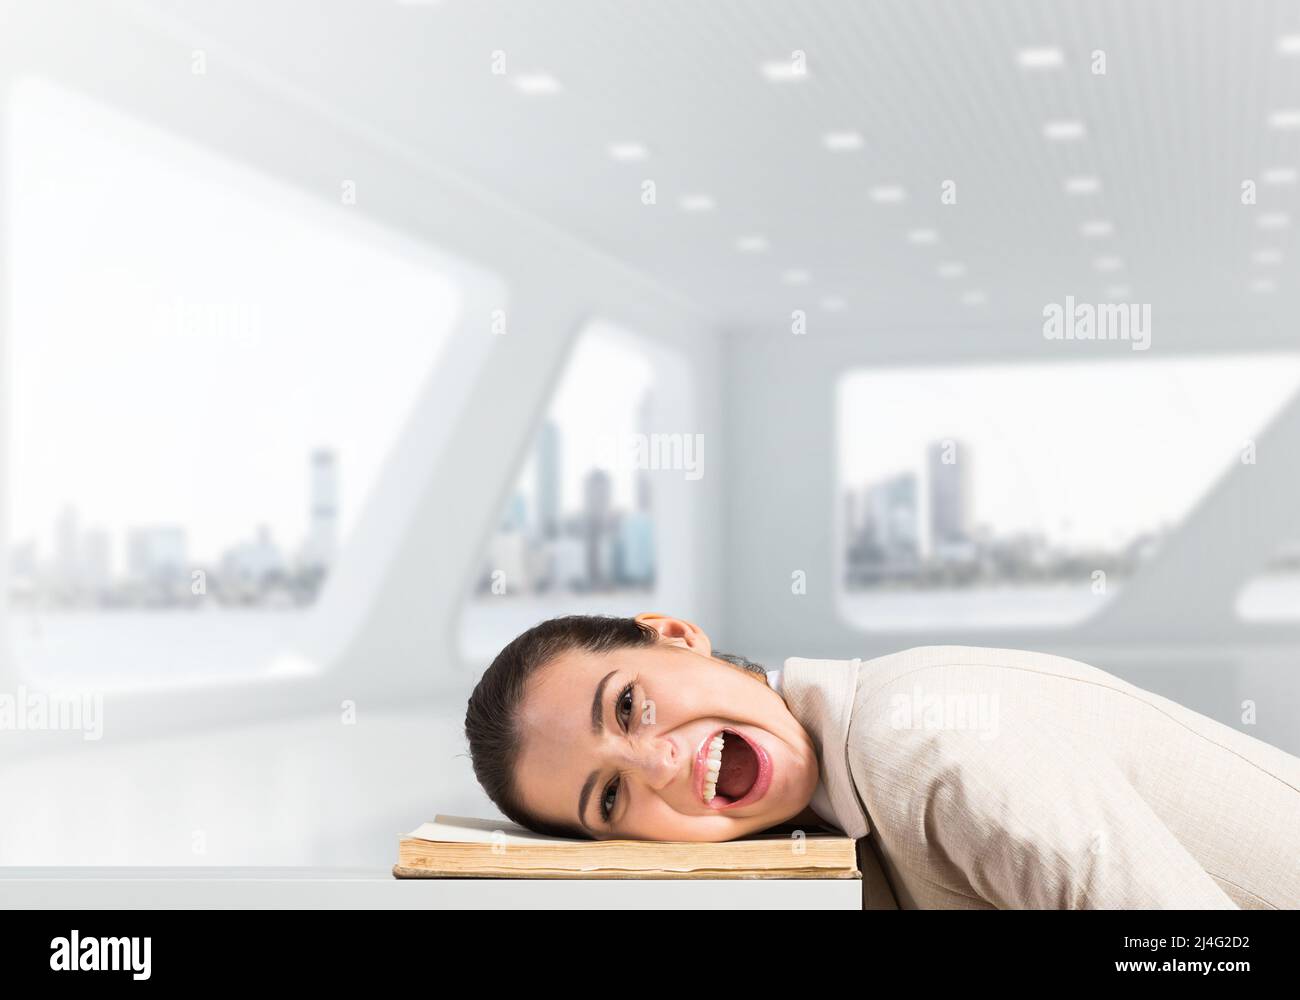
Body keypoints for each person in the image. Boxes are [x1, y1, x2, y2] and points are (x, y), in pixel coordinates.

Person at [464, 611, 1300, 908]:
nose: (659, 765)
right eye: (609, 799)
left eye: (630, 706)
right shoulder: (834, 816)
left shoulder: (925, 744)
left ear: (677, 635)